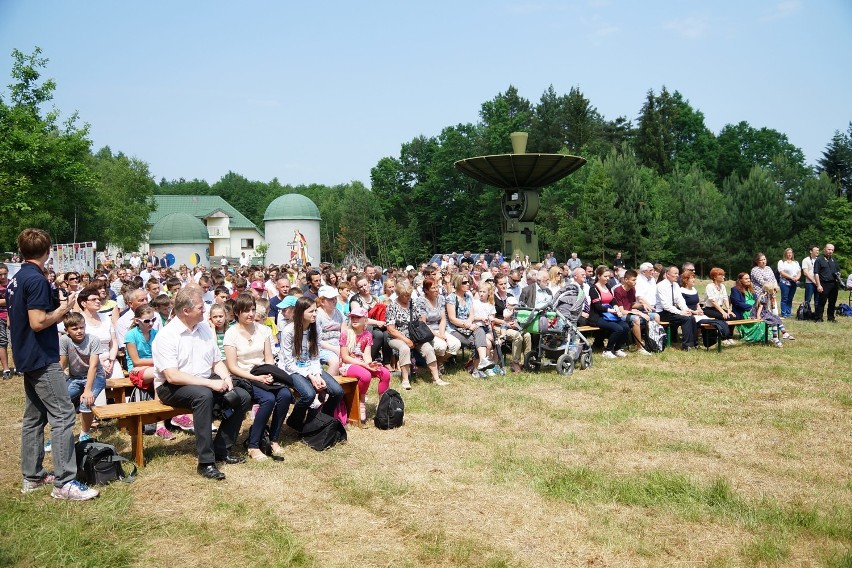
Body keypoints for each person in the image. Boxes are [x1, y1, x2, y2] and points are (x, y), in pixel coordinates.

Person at [8, 228, 99, 500]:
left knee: (34, 417)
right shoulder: (35, 279)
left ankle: (33, 477)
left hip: (27, 354)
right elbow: (37, 322)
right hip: (41, 356)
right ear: (47, 251)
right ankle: (64, 483)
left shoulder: (17, 277)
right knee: (62, 415)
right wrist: (63, 310)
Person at [153, 287, 252, 480]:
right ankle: (206, 462)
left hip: (202, 381)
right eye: (200, 307)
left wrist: (226, 379)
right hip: (171, 387)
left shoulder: (205, 329)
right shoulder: (166, 336)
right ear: (186, 311)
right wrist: (209, 384)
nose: (205, 311)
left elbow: (216, 361)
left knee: (242, 395)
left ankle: (222, 449)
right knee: (203, 395)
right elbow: (172, 376)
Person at [223, 294, 291, 461]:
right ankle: (253, 445)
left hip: (264, 373)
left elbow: (268, 358)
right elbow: (232, 367)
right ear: (237, 313)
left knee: (285, 395)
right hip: (243, 378)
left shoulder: (264, 330)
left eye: (253, 310)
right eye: (246, 311)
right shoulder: (231, 334)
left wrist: (268, 374)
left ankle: (274, 439)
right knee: (267, 399)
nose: (251, 314)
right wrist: (257, 379)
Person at [278, 297, 344, 432]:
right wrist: (311, 377)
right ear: (301, 313)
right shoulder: (289, 331)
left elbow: (315, 357)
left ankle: (322, 420)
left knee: (337, 392)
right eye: (311, 312)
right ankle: (295, 421)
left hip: (310, 367)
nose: (314, 314)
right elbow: (289, 363)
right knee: (308, 395)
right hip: (292, 370)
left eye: (315, 311)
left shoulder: (316, 329)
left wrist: (317, 374)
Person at [124, 304, 176, 439]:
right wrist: (158, 361)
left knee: (165, 374)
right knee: (161, 373)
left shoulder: (155, 333)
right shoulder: (131, 335)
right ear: (137, 321)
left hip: (152, 368)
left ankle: (169, 418)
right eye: (147, 321)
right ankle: (160, 425)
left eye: (153, 320)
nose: (151, 323)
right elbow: (136, 361)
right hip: (136, 370)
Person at [386, 279, 448, 389]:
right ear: (399, 294)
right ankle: (405, 380)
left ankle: (436, 378)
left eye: (409, 295)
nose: (407, 297)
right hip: (397, 337)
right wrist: (406, 340)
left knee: (428, 348)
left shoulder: (413, 303)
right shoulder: (392, 306)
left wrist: (417, 337)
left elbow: (420, 320)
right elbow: (391, 330)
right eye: (405, 295)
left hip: (414, 335)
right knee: (404, 348)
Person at [58, 311, 108, 444]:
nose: (79, 331)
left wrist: (87, 390)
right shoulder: (64, 340)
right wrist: (57, 384)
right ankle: (60, 435)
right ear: (66, 330)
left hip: (96, 376)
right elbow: (62, 363)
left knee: (86, 402)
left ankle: (84, 434)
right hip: (75, 377)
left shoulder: (93, 340)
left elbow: (93, 366)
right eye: (74, 329)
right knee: (59, 402)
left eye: (82, 327)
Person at [339, 305, 392, 424]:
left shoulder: (367, 335)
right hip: (347, 365)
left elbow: (367, 355)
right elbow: (345, 357)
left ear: (365, 320)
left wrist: (370, 363)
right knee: (366, 375)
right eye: (352, 317)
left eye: (358, 317)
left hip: (362, 363)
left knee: (385, 373)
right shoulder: (346, 334)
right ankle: (361, 401)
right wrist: (364, 365)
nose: (354, 319)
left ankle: (382, 404)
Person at [446, 274, 494, 375]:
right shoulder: (451, 298)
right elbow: (452, 319)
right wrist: (467, 324)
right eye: (464, 282)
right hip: (454, 329)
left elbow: (472, 315)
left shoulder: (468, 297)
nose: (468, 284)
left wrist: (469, 322)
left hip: (467, 326)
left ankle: (482, 362)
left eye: (468, 282)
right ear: (457, 284)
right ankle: (477, 369)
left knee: (480, 330)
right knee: (475, 341)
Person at [417, 276, 461, 371]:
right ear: (426, 290)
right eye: (433, 288)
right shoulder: (421, 301)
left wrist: (441, 334)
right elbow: (423, 323)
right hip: (427, 331)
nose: (436, 290)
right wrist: (437, 335)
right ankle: (433, 366)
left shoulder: (440, 298)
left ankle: (437, 363)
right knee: (441, 346)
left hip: (439, 329)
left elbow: (443, 319)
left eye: (437, 287)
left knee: (456, 344)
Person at [680, 269, 733, 347]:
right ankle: (695, 343)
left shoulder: (694, 290)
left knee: (712, 322)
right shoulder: (681, 291)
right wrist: (695, 312)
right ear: (686, 280)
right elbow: (682, 305)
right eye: (692, 278)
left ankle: (709, 342)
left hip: (698, 312)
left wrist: (699, 309)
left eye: (694, 278)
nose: (694, 280)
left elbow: (697, 303)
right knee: (707, 321)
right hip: (688, 313)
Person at [588, 266, 631, 358]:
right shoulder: (593, 289)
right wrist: (613, 311)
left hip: (610, 315)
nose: (608, 279)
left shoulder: (608, 286)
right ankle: (607, 351)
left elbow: (613, 300)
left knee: (626, 327)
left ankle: (617, 349)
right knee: (618, 329)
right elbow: (598, 307)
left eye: (609, 276)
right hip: (597, 317)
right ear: (598, 276)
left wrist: (617, 309)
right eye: (605, 276)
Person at [655, 266, 699, 351]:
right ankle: (687, 346)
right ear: (667, 274)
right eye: (675, 273)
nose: (677, 275)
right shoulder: (661, 286)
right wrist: (680, 312)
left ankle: (694, 343)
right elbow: (666, 305)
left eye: (678, 273)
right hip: (663, 313)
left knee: (691, 317)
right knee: (686, 319)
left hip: (673, 311)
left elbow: (680, 300)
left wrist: (685, 310)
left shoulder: (675, 285)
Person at [611, 269, 653, 354]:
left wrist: (642, 305)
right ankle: (640, 347)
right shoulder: (618, 290)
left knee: (655, 316)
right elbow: (622, 311)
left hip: (630, 312)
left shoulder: (632, 289)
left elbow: (632, 304)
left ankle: (652, 343)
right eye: (633, 280)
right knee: (636, 319)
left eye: (636, 279)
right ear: (626, 280)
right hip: (621, 314)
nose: (635, 282)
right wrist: (639, 313)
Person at [729, 272, 766, 343]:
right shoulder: (735, 290)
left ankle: (765, 337)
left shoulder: (750, 289)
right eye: (746, 279)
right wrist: (751, 307)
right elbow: (737, 303)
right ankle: (754, 337)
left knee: (765, 319)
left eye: (749, 278)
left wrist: (758, 306)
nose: (749, 280)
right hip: (743, 312)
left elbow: (756, 300)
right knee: (759, 322)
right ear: (740, 280)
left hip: (754, 310)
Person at [315, 285, 343, 375]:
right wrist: (335, 349)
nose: (335, 301)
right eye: (331, 299)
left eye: (335, 298)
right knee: (335, 362)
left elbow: (344, 332)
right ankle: (329, 387)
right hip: (323, 348)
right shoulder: (317, 315)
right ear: (322, 301)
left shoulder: (338, 312)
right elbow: (317, 340)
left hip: (339, 346)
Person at [814, 243, 841, 323]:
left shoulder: (834, 260)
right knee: (822, 302)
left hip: (834, 284)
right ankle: (819, 318)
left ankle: (831, 318)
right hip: (824, 283)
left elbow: (838, 271)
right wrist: (818, 285)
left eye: (832, 250)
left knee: (832, 302)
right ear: (824, 249)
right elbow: (816, 273)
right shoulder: (819, 260)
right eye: (829, 249)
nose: (830, 251)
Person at [777, 248, 801, 318]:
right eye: (788, 253)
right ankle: (784, 313)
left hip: (794, 282)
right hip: (785, 282)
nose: (789, 254)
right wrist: (791, 277)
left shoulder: (796, 262)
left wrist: (797, 278)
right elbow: (781, 272)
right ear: (785, 254)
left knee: (790, 298)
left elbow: (799, 271)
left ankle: (788, 312)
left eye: (791, 253)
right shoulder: (781, 262)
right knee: (785, 298)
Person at [0, 263, 14, 378]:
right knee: (2, 342)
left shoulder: (12, 284)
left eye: (5, 274)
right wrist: (9, 299)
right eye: (0, 274)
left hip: (13, 316)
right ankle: (6, 369)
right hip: (0, 317)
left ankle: (19, 366)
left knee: (14, 342)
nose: (3, 277)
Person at [801, 245, 820, 309]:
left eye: (818, 250)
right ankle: (806, 313)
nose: (817, 252)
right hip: (809, 283)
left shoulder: (819, 260)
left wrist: (818, 282)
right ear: (811, 251)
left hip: (818, 283)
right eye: (816, 250)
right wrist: (814, 281)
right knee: (807, 300)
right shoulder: (806, 260)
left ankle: (817, 314)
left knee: (818, 300)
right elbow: (805, 272)